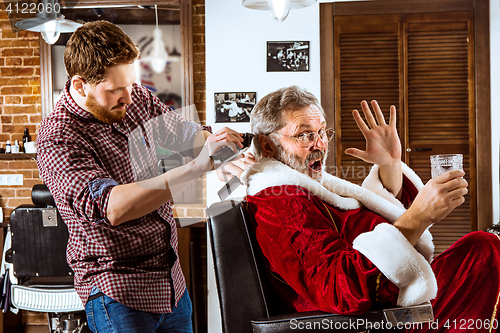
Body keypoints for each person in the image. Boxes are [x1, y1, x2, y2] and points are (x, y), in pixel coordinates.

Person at [36, 21, 246, 333]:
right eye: (115, 89)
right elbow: (112, 208)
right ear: (80, 86)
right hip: (118, 293)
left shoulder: (135, 100)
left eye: (130, 85)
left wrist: (218, 146)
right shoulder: (58, 137)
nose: (128, 98)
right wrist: (195, 168)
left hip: (170, 285)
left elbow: (184, 134)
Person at [241, 85, 500, 332]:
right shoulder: (281, 203)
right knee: (485, 250)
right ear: (268, 145)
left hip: (395, 301)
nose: (319, 144)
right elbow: (339, 290)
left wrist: (390, 165)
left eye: (322, 132)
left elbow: (363, 222)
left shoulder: (311, 187)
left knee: (483, 247)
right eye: (305, 134)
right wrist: (417, 218)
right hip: (379, 322)